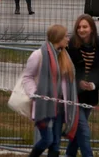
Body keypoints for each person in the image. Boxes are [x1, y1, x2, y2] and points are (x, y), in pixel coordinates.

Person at [21, 24, 79, 157]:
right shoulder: (38, 55)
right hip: (44, 104)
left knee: (56, 143)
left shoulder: (65, 56)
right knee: (48, 139)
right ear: (58, 38)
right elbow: (27, 77)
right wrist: (34, 93)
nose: (68, 39)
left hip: (59, 106)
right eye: (65, 36)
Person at [66, 14, 99, 157]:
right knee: (84, 131)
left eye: (85, 26)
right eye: (79, 27)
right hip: (73, 95)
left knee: (78, 133)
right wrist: (77, 81)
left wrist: (92, 85)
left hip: (89, 96)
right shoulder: (70, 46)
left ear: (92, 28)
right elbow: (65, 69)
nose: (81, 30)